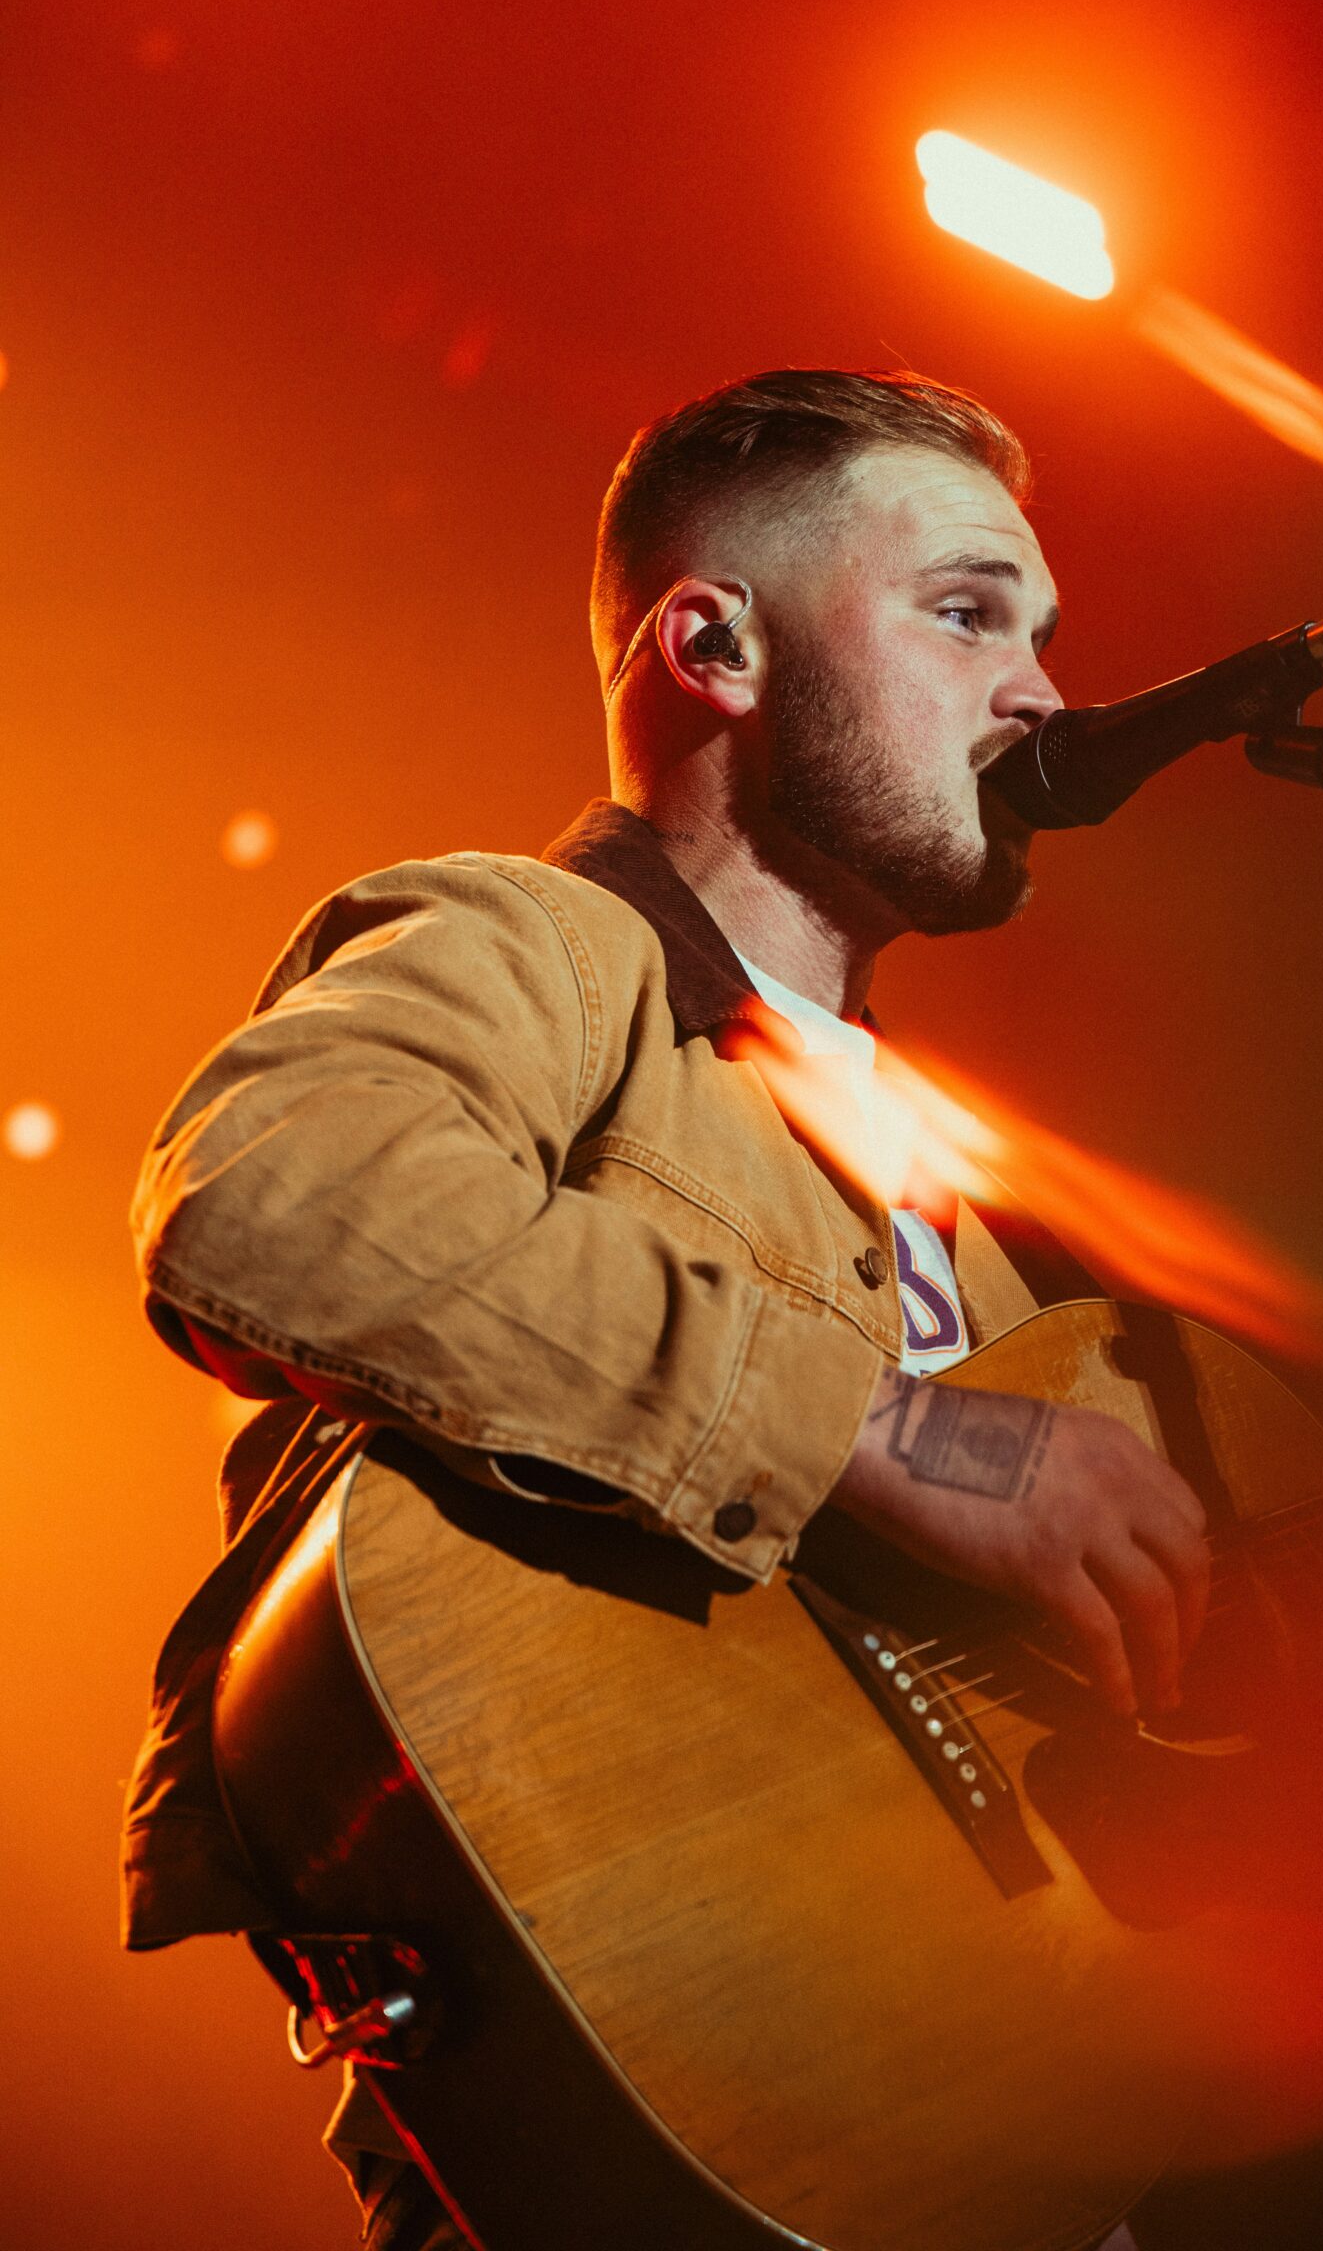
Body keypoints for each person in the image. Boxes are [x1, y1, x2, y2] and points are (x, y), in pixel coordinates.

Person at [121, 368, 1211, 2248]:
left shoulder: (984, 1190)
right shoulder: (546, 946)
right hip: (653, 2120)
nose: (1043, 691)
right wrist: (892, 1433)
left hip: (963, 2110)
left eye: (1043, 631)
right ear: (711, 644)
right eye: (966, 613)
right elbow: (267, 1187)